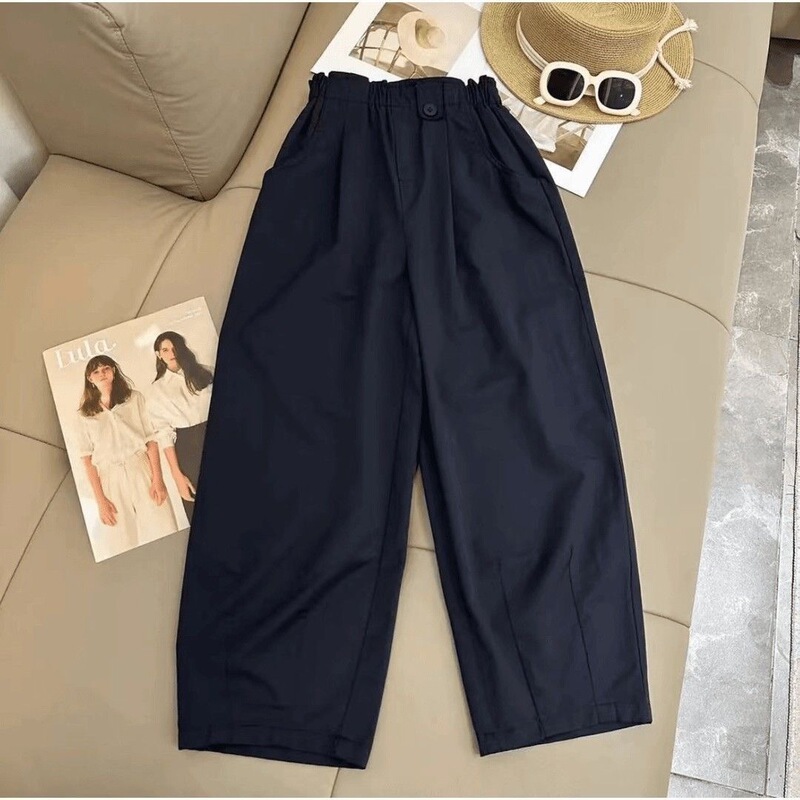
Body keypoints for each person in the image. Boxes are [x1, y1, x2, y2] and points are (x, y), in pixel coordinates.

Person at [73, 354, 177, 553]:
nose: (102, 374)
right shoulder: (84, 415)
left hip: (141, 469)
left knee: (163, 527)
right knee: (120, 542)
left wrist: (158, 479)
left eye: (106, 368)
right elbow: (87, 460)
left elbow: (151, 440)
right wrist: (100, 500)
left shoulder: (134, 398)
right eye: (96, 371)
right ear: (90, 378)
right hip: (110, 479)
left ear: (113, 370)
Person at [146, 331, 213, 523]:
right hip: (188, 448)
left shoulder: (206, 372)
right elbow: (164, 434)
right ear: (158, 354)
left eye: (175, 348)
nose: (171, 353)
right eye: (165, 350)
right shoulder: (157, 390)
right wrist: (177, 475)